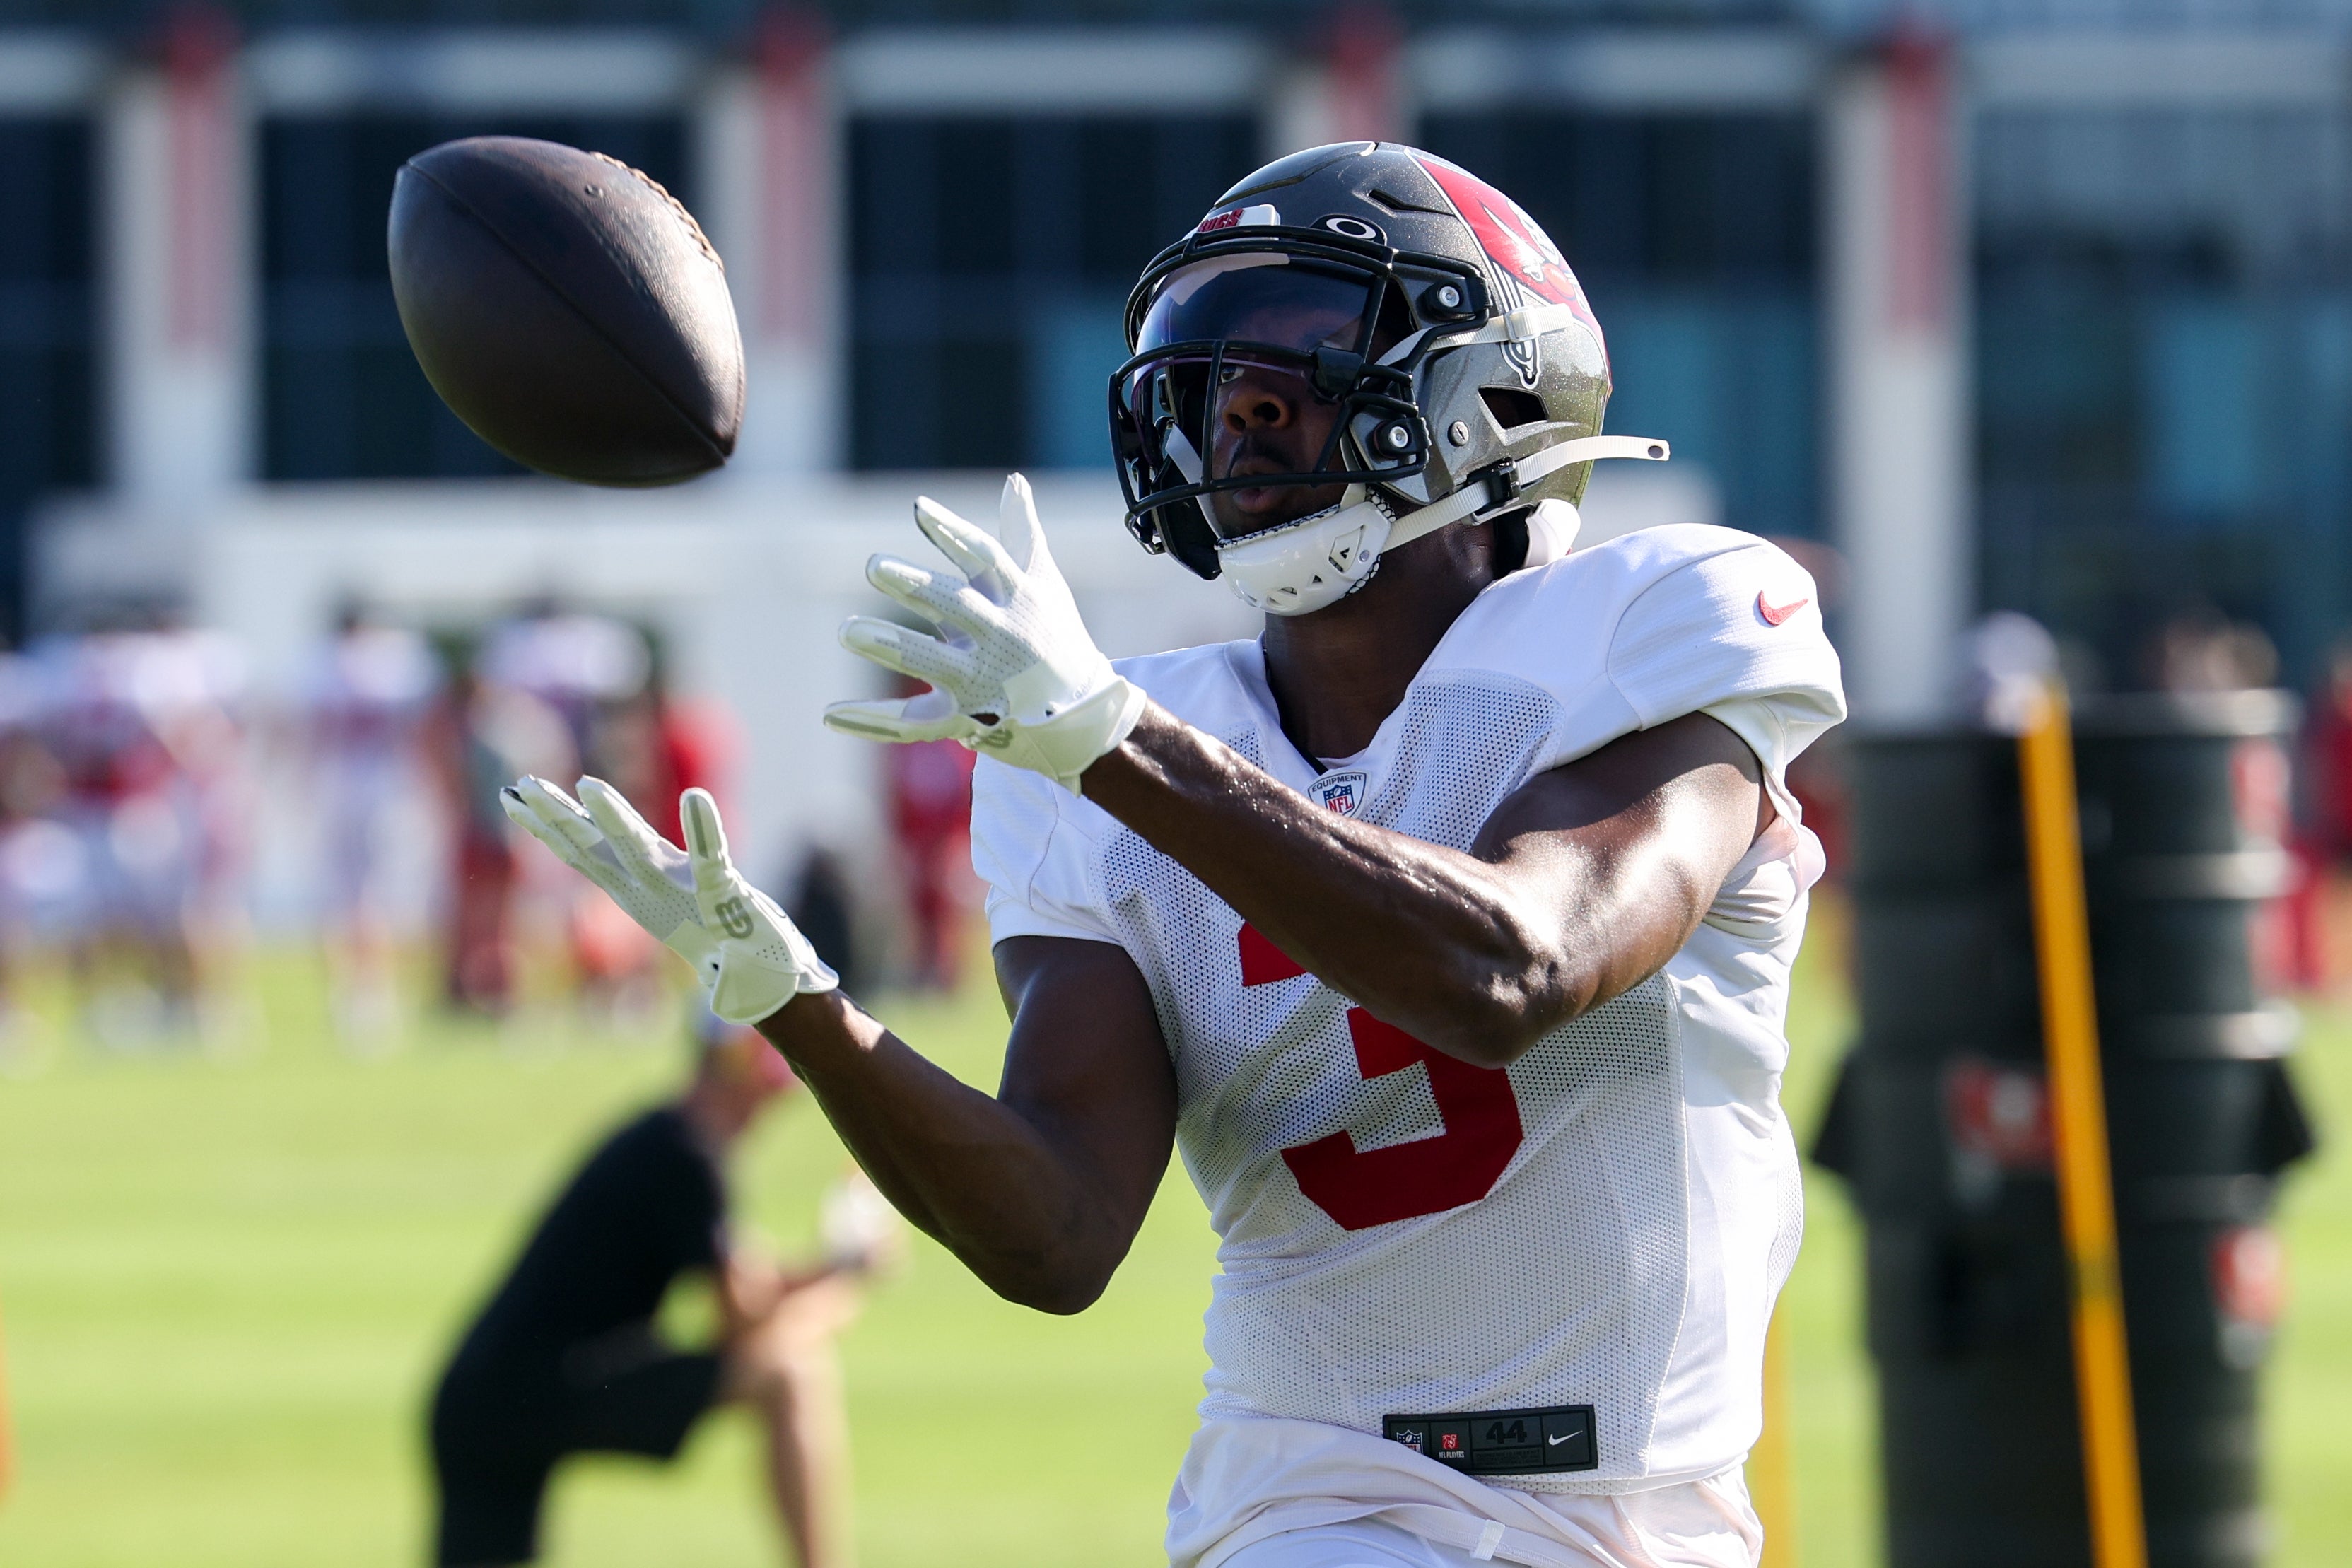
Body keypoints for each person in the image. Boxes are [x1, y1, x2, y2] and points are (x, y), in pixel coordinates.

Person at [503, 142, 1845, 1568]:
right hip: (1312, 1499)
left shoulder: (1658, 615)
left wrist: (1108, 739)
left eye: (1309, 343)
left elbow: (1520, 962)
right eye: (1201, 362)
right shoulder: (1095, 756)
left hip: (1652, 1513)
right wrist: (803, 1007)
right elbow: (1061, 1231)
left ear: (1495, 388)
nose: (1237, 401)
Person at [429, 1015, 894, 1568]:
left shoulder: (671, 1143)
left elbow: (748, 1283)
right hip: (523, 1397)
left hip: (483, 1403)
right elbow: (739, 1321)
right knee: (792, 1373)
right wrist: (841, 1290)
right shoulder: (687, 1157)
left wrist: (834, 1265)